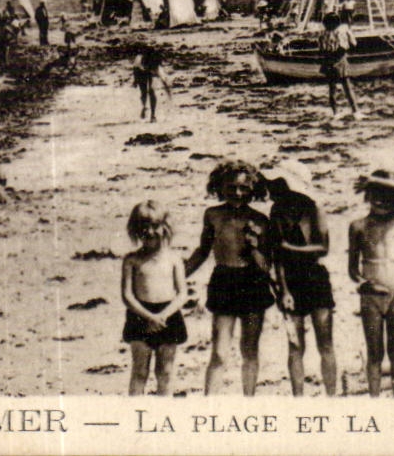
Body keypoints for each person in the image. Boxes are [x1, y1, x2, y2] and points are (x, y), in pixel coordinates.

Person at [185, 160, 276, 396]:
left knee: (250, 351)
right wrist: (179, 275)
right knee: (219, 353)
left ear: (253, 190)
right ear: (219, 187)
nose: (237, 193)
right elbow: (202, 252)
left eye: (244, 188)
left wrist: (254, 247)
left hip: (253, 282)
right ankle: (209, 404)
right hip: (224, 281)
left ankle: (249, 402)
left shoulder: (260, 220)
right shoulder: (213, 215)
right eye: (231, 187)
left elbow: (266, 266)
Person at [262, 162, 337, 397]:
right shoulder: (276, 211)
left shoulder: (314, 209)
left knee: (325, 343)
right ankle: (298, 400)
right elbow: (277, 257)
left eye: (278, 184)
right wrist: (284, 291)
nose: (272, 189)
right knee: (295, 346)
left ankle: (332, 398)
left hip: (315, 278)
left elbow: (323, 248)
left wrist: (290, 248)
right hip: (291, 280)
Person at [349, 172, 394, 397]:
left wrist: (374, 181)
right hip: (372, 297)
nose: (380, 201)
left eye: (386, 196)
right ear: (367, 196)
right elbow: (352, 269)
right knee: (374, 352)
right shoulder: (358, 226)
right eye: (375, 194)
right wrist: (364, 284)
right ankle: (374, 399)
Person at [120, 201, 188, 396]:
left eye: (155, 226)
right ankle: (134, 410)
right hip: (140, 315)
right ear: (135, 229)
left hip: (168, 315)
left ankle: (164, 409)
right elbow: (127, 296)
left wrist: (163, 316)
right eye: (143, 226)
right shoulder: (131, 260)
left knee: (165, 371)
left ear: (165, 227)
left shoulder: (174, 259)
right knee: (140, 371)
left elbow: (182, 294)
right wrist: (149, 317)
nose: (149, 232)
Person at [319, 12, 358, 115]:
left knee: (332, 89)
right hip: (340, 59)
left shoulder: (323, 34)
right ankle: (355, 111)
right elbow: (350, 45)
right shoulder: (341, 31)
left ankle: (335, 113)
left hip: (328, 60)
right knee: (347, 87)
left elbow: (321, 49)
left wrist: (329, 57)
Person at [131, 48, 173, 122]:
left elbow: (164, 81)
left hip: (149, 72)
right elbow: (135, 70)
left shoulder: (156, 67)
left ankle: (153, 115)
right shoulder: (138, 59)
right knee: (143, 92)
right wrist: (135, 81)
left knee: (152, 91)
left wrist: (169, 94)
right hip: (140, 72)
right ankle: (144, 107)